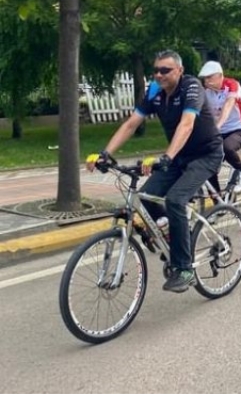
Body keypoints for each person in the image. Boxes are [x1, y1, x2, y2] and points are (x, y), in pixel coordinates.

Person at [86, 50, 223, 293]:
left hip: (205, 154)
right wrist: (105, 154)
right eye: (156, 70)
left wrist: (166, 156)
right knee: (146, 198)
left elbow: (187, 123)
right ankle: (173, 234)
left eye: (165, 70)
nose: (159, 75)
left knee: (175, 199)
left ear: (179, 70)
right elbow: (131, 123)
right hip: (178, 156)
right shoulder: (154, 91)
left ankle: (184, 268)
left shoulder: (191, 87)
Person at [198, 61, 241, 193]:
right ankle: (219, 204)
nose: (206, 81)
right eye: (205, 78)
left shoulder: (232, 85)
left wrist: (217, 126)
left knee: (226, 147)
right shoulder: (206, 93)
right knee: (209, 166)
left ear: (220, 76)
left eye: (210, 77)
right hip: (220, 132)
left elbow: (228, 105)